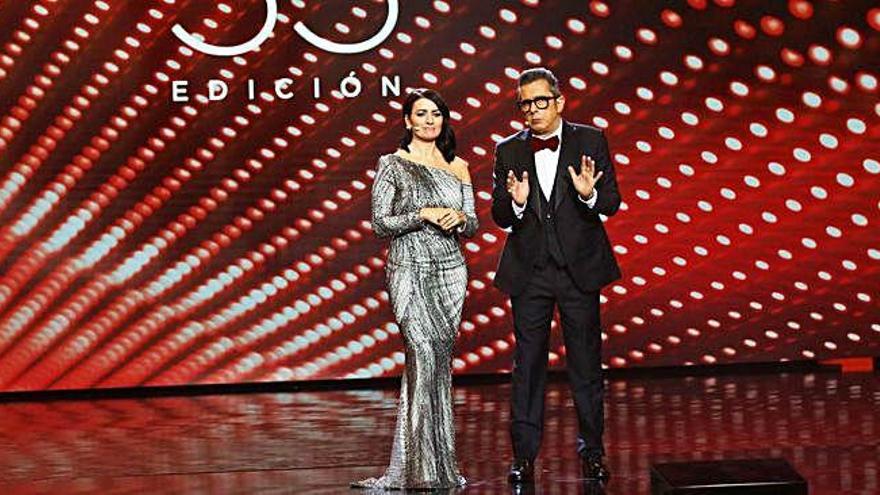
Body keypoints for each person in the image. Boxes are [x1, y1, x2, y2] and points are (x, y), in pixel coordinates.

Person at [491, 67, 622, 484]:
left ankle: (593, 453)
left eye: (539, 101)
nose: (531, 110)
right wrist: (515, 205)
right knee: (527, 366)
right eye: (524, 104)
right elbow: (497, 213)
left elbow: (612, 201)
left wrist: (589, 195)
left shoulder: (591, 139)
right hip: (530, 273)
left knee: (586, 365)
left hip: (578, 270)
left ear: (559, 102)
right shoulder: (507, 150)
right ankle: (524, 457)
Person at [352, 89, 477, 491]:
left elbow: (473, 223)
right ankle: (415, 468)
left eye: (436, 114)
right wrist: (422, 213)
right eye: (421, 114)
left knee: (439, 363)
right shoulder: (392, 165)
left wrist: (458, 217)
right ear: (407, 121)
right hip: (408, 267)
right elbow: (379, 223)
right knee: (421, 354)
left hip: (450, 271)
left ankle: (439, 467)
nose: (429, 121)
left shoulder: (458, 166)